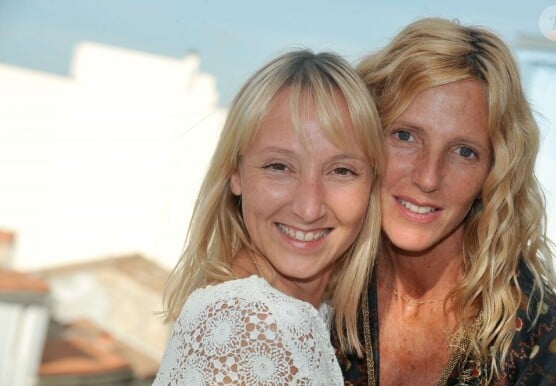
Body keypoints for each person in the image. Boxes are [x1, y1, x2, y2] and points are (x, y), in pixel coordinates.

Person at [332, 17, 556, 385]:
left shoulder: (544, 343)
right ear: (365, 135)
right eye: (405, 136)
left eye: (464, 152)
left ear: (493, 173)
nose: (428, 177)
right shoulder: (319, 282)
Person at [153, 49, 384, 385]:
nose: (309, 208)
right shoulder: (247, 328)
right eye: (279, 167)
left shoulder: (303, 315)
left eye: (341, 170)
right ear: (235, 172)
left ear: (371, 185)